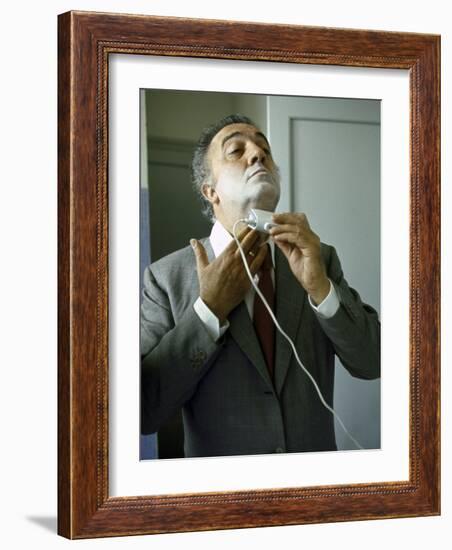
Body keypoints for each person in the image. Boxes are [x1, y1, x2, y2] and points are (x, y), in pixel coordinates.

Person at [140, 114, 380, 458]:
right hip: (222, 498)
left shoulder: (319, 258)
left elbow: (374, 363)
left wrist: (322, 290)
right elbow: (144, 410)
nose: (257, 154)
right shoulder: (165, 279)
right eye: (236, 150)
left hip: (315, 490)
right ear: (210, 191)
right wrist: (208, 310)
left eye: (264, 149)